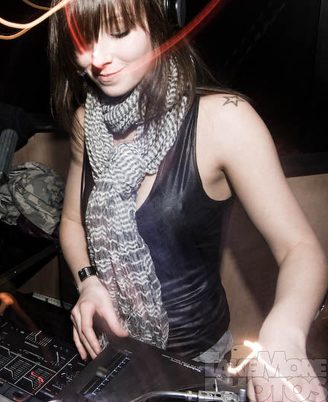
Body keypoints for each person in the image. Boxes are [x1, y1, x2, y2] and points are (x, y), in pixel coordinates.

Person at [48, 0, 327, 399]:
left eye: (120, 32)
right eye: (83, 41)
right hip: (112, 351)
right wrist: (89, 282)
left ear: (158, 23)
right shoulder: (86, 122)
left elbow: (300, 248)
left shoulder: (224, 120)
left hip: (197, 363)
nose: (99, 59)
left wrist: (284, 332)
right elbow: (73, 223)